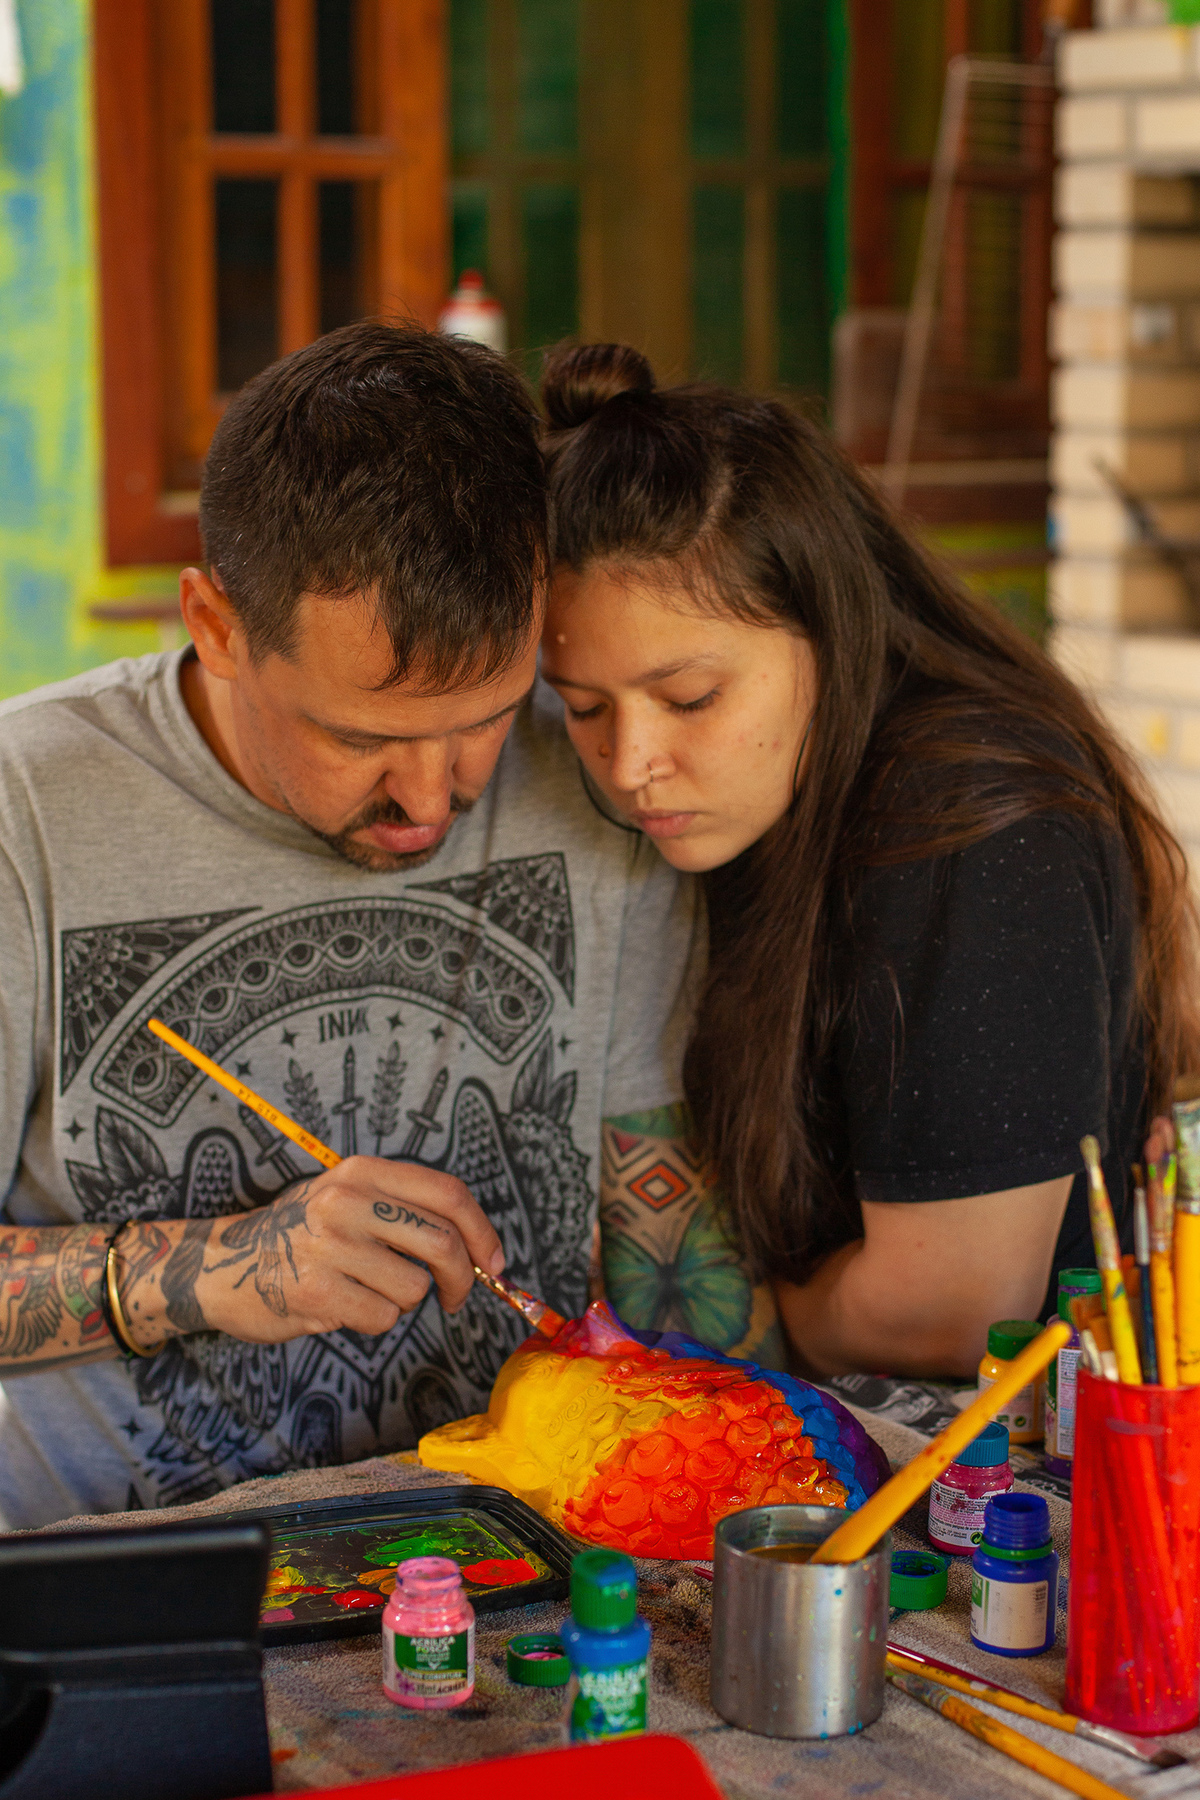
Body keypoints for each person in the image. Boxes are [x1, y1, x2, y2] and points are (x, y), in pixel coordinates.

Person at [0, 322, 731, 1530]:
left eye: (486, 720)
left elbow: (674, 1259)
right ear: (216, 624)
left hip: (516, 1564)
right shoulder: (26, 809)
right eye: (360, 737)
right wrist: (219, 1268)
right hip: (116, 1579)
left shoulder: (603, 772)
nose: (432, 799)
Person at [538, 342, 1200, 1380]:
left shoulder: (972, 826)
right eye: (584, 709)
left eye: (690, 699)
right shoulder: (751, 795)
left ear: (832, 627)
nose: (631, 765)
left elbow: (949, 1313)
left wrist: (754, 1310)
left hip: (1016, 1452)